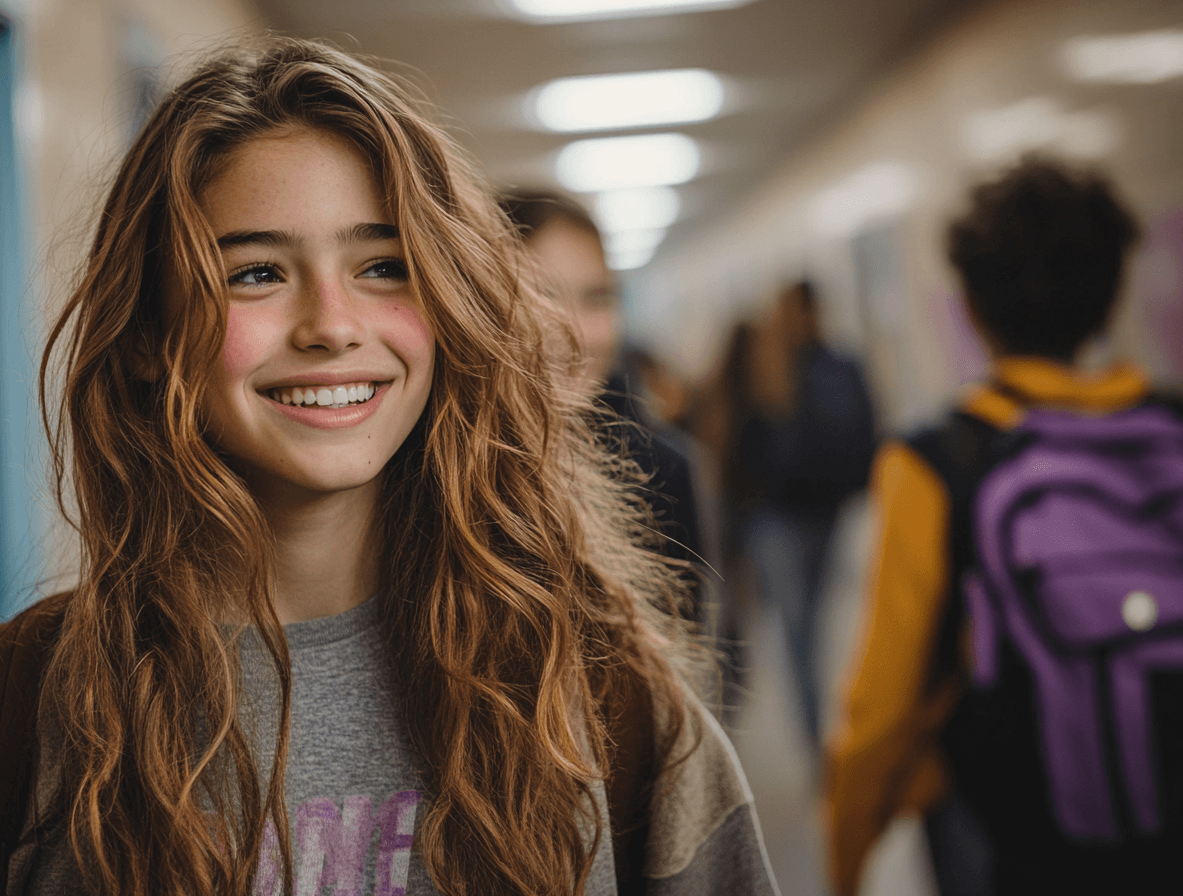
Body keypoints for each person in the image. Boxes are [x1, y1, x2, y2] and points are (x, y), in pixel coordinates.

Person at [0, 38, 779, 896]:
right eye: (255, 273)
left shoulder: (604, 703)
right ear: (146, 337)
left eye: (383, 267)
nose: (332, 324)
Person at [826, 156, 1182, 896]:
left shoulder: (939, 460)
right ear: (1110, 293)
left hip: (1017, 844)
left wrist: (846, 854)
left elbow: (883, 703)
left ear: (972, 307)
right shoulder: (1169, 424)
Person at [500, 191, 713, 624]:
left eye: (596, 298)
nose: (576, 333)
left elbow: (682, 650)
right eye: (543, 296)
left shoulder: (662, 470)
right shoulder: (442, 466)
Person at [736, 282, 876, 750]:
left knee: (811, 624)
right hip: (780, 519)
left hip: (817, 512)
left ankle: (826, 730)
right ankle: (819, 736)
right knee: (800, 629)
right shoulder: (770, 364)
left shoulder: (826, 366)